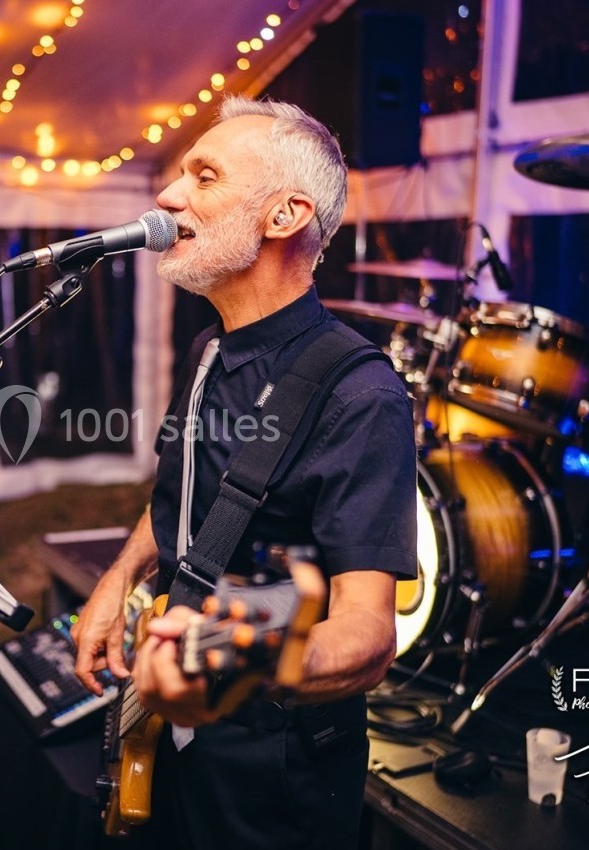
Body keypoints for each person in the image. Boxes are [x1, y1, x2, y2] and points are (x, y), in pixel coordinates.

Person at [71, 96, 418, 850]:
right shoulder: (208, 350)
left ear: (284, 215)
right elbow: (186, 493)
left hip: (275, 768)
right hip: (170, 733)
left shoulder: (362, 395)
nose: (168, 196)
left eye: (204, 175)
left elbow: (368, 632)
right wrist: (121, 575)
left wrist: (244, 664)